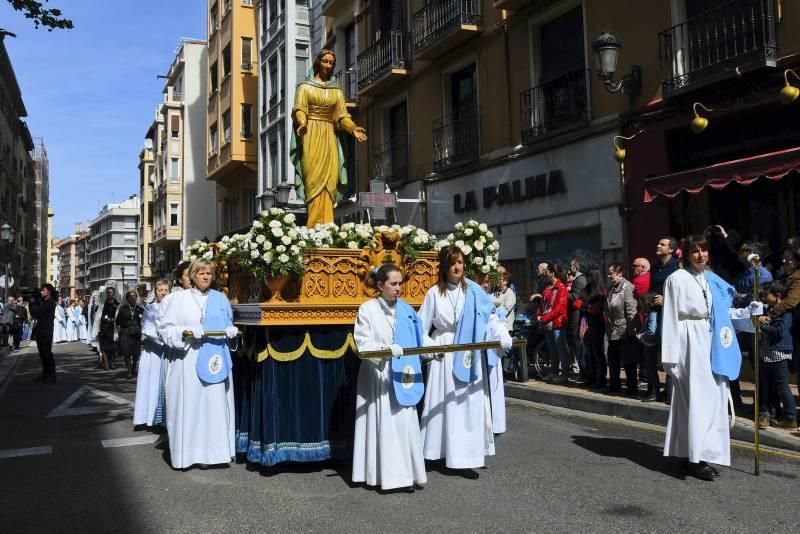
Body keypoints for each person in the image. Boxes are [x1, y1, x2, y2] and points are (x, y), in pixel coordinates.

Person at [661, 235, 758, 481]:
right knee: (695, 401)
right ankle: (695, 458)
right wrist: (671, 357)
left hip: (711, 341)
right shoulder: (677, 279)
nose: (701, 255)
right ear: (686, 254)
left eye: (704, 250)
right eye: (695, 251)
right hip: (688, 344)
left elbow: (722, 315)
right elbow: (670, 317)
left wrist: (749, 313)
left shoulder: (711, 279)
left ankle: (689, 454)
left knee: (711, 400)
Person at [418, 245, 512, 477]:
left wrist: (501, 334)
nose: (457, 267)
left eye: (460, 262)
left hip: (469, 350)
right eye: (452, 263)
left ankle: (468, 454)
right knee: (446, 403)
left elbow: (490, 318)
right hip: (446, 352)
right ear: (444, 266)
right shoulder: (433, 293)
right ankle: (440, 452)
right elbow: (420, 328)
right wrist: (433, 349)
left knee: (468, 403)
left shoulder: (474, 291)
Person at [352, 264, 427, 493]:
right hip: (379, 375)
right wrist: (385, 349)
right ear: (380, 285)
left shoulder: (406, 310)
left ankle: (406, 476)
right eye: (393, 284)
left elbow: (420, 337)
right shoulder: (367, 309)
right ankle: (384, 477)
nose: (398, 288)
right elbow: (362, 343)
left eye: (400, 283)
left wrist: (434, 350)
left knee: (404, 425)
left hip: (402, 374)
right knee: (384, 424)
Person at [158, 259, 238, 470]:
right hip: (189, 358)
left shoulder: (220, 299)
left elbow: (227, 323)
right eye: (201, 273)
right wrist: (186, 334)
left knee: (213, 406)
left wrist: (231, 331)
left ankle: (215, 454)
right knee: (191, 406)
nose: (205, 277)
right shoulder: (178, 299)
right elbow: (165, 329)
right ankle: (190, 455)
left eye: (209, 274)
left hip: (214, 359)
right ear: (192, 276)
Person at [291, 48, 367, 227]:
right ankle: (313, 227)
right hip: (310, 134)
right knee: (313, 180)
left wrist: (353, 128)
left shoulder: (336, 92)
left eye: (331, 63)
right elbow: (300, 108)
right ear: (318, 62)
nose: (328, 65)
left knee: (330, 179)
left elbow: (342, 116)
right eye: (325, 61)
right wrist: (302, 122)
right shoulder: (304, 87)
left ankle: (327, 225)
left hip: (330, 137)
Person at [757, 282, 797, 430]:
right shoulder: (771, 309)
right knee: (769, 385)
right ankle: (772, 413)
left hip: (779, 353)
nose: (765, 297)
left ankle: (791, 418)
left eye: (768, 294)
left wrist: (762, 326)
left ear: (778, 296)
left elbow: (779, 332)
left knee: (782, 385)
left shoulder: (785, 312)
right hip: (768, 353)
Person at [133, 280, 170, 428]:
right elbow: (147, 328)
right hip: (154, 351)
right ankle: (150, 418)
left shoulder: (174, 307)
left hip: (169, 351)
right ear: (155, 292)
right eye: (160, 290)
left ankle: (165, 419)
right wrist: (162, 338)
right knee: (152, 383)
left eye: (166, 290)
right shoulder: (150, 308)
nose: (163, 292)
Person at [605, 263, 638, 395]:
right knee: (613, 360)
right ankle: (614, 385)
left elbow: (631, 310)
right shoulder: (611, 288)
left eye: (611, 273)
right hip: (613, 330)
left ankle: (632, 388)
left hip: (625, 329)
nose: (609, 276)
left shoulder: (627, 287)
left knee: (628, 361)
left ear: (620, 274)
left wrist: (632, 329)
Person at [538, 263, 570, 384]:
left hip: (558, 322)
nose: (545, 274)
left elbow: (559, 309)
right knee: (552, 349)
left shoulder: (561, 288)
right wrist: (539, 315)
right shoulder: (547, 288)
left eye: (546, 272)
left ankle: (565, 374)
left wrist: (545, 318)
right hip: (548, 322)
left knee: (561, 348)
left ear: (552, 273)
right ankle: (554, 371)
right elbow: (542, 304)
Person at [583, 269, 607, 389]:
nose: (588, 280)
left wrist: (588, 306)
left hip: (598, 325)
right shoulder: (589, 290)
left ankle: (601, 379)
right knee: (590, 353)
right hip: (589, 324)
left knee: (598, 353)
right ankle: (591, 377)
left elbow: (597, 310)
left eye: (590, 277)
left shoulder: (601, 293)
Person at [635, 292, 660, 401]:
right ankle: (651, 391)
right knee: (650, 369)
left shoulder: (653, 313)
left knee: (652, 369)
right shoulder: (650, 313)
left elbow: (651, 331)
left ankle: (654, 392)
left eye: (643, 303)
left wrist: (640, 336)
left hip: (650, 345)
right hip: (649, 344)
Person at [30, 284, 57, 383]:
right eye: (40, 290)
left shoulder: (50, 302)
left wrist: (32, 303)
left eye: (43, 290)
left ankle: (52, 374)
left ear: (48, 292)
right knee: (42, 354)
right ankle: (45, 374)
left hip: (46, 331)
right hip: (40, 330)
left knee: (47, 353)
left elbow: (35, 313)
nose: (41, 292)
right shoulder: (44, 302)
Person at [567, 258, 588, 381]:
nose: (569, 269)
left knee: (578, 344)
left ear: (576, 267)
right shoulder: (578, 279)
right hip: (575, 315)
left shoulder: (580, 280)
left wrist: (563, 292)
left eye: (571, 266)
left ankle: (584, 372)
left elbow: (575, 297)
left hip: (577, 315)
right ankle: (583, 372)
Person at [116, 290, 144, 379]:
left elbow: (145, 322)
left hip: (136, 334)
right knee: (127, 353)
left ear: (136, 298)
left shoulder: (140, 309)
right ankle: (129, 371)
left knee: (136, 353)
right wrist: (127, 322)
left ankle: (133, 367)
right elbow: (118, 321)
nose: (132, 298)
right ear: (127, 298)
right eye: (130, 296)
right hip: (126, 333)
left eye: (134, 296)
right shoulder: (123, 309)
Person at [98, 287, 119, 370]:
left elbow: (119, 314)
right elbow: (99, 315)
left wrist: (114, 319)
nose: (110, 294)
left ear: (114, 293)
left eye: (111, 292)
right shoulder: (103, 304)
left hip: (113, 328)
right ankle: (106, 363)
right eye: (108, 292)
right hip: (104, 327)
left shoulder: (117, 303)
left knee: (114, 347)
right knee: (104, 346)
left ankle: (112, 362)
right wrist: (105, 318)